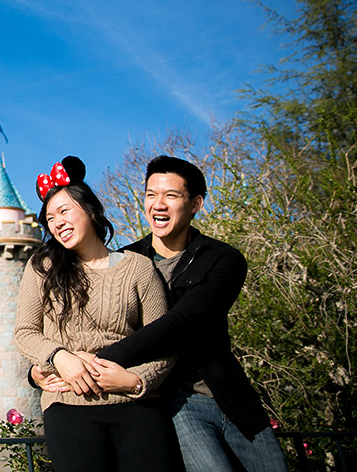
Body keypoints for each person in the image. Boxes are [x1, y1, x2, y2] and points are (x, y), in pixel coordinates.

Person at [31, 155, 288, 472]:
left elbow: (180, 324)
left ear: (195, 204)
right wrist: (48, 367)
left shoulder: (222, 259)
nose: (158, 204)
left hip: (227, 396)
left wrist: (91, 363)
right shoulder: (126, 261)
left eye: (171, 195)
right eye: (151, 195)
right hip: (169, 399)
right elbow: (63, 325)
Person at [14, 156, 180, 472]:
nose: (57, 222)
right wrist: (61, 358)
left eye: (64, 211)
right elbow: (25, 332)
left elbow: (164, 341)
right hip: (68, 406)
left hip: (137, 407)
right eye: (50, 218)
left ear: (91, 211)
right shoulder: (42, 269)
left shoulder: (138, 268)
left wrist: (134, 381)